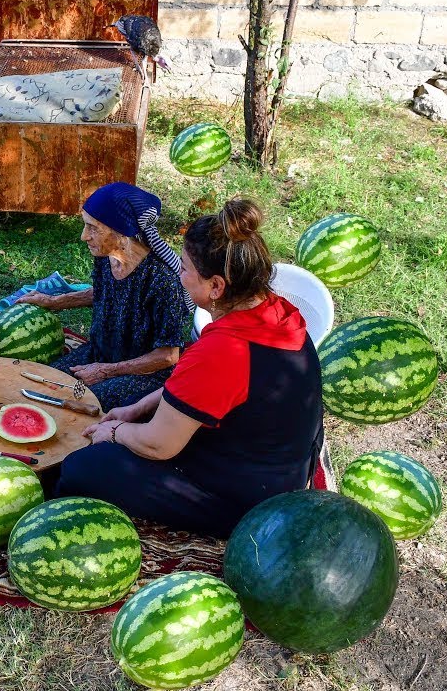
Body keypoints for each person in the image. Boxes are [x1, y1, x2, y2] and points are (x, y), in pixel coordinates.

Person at [54, 198, 325, 538]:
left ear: (216, 286)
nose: (178, 276)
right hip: (281, 471)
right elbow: (198, 387)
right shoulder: (279, 311)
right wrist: (137, 408)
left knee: (84, 466)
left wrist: (115, 433)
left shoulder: (222, 353)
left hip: (247, 503)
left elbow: (159, 446)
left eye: (184, 269)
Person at [17, 182, 191, 410]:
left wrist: (105, 370)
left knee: (79, 404)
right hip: (100, 352)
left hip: (143, 373)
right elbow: (103, 294)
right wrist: (52, 302)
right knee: (44, 384)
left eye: (93, 228)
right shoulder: (105, 256)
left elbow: (167, 356)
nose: (83, 236)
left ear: (122, 234)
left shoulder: (163, 280)